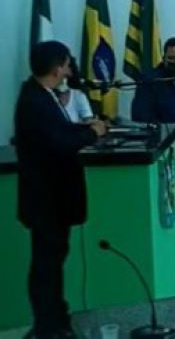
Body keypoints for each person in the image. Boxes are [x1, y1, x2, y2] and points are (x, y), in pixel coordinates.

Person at [14, 41, 107, 339]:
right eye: (67, 65)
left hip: (52, 200)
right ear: (57, 69)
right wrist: (91, 133)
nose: (69, 71)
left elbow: (59, 131)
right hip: (46, 201)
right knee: (46, 266)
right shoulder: (36, 101)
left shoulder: (41, 95)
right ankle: (48, 327)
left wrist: (87, 128)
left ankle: (56, 320)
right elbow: (58, 144)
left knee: (52, 263)